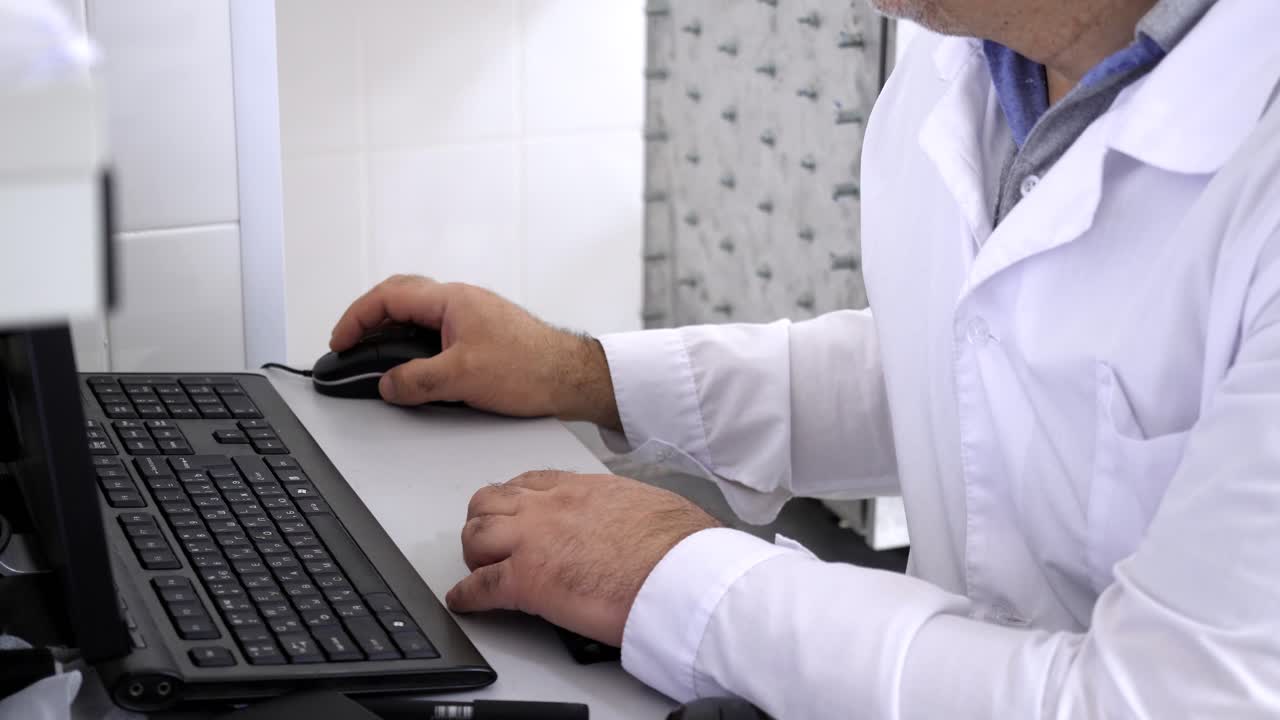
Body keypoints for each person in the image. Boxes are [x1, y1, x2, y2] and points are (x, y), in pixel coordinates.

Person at [328, 0, 1280, 716]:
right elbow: (968, 366)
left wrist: (675, 576)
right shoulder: (968, 61)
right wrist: (586, 376)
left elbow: (1163, 702)